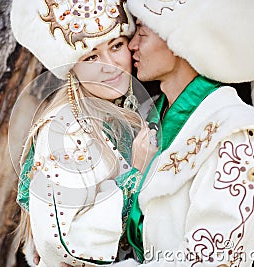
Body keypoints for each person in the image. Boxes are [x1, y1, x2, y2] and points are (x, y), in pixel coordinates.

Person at [105, 0, 254, 266]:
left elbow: (211, 260)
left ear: (180, 42)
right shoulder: (144, 117)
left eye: (142, 32)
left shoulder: (238, 135)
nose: (132, 45)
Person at [10, 1, 157, 266]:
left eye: (116, 46)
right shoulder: (65, 130)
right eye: (91, 57)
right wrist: (134, 175)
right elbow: (63, 243)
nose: (110, 65)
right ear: (71, 68)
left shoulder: (133, 111)